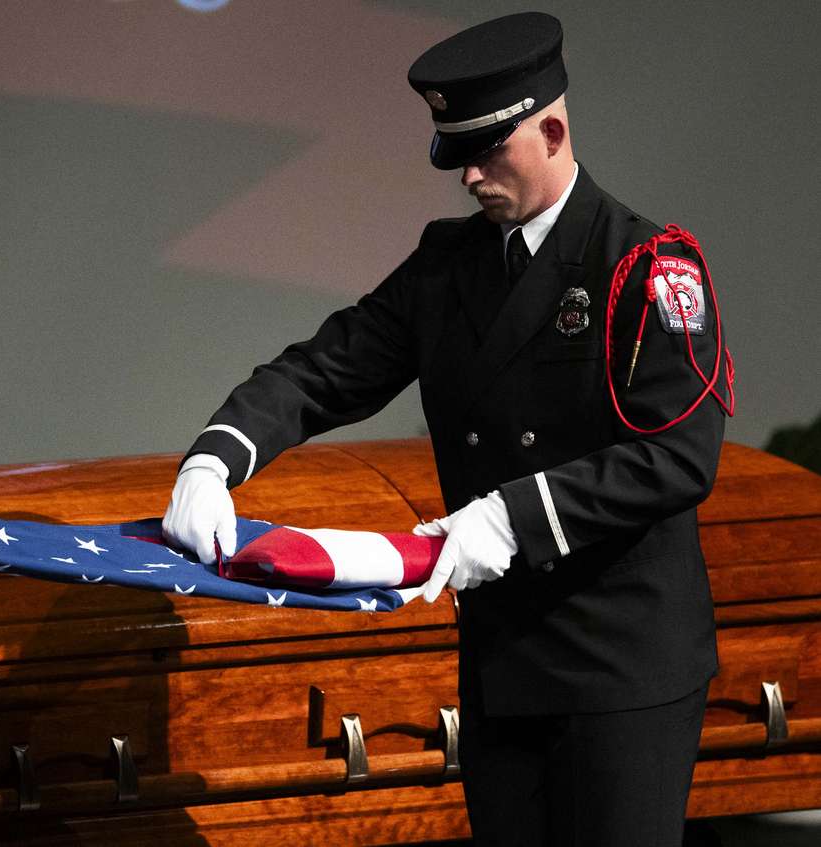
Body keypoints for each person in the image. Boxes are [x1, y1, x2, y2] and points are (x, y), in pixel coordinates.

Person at [162, 12, 732, 847]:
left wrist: (510, 518)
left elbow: (679, 457)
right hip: (504, 660)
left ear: (552, 132)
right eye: (457, 153)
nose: (467, 176)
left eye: (487, 152)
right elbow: (325, 369)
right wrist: (213, 460)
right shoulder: (448, 264)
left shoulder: (643, 264)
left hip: (621, 668)